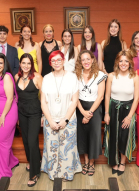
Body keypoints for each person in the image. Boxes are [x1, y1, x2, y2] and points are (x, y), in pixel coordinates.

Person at [40, 50, 81, 181]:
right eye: (53, 60)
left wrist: (66, 119)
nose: (56, 63)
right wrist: (50, 121)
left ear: (63, 61)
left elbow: (74, 101)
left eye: (59, 60)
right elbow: (43, 102)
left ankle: (66, 173)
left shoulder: (72, 77)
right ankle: (53, 172)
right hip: (50, 118)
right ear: (50, 63)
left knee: (67, 149)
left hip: (68, 118)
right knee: (51, 147)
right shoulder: (46, 78)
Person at [104, 50, 139, 176]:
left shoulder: (135, 77)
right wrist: (107, 113)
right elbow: (107, 95)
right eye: (121, 61)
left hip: (128, 109)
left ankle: (123, 162)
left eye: (126, 61)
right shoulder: (111, 76)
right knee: (113, 135)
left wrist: (130, 116)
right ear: (117, 62)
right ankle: (114, 160)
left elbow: (136, 98)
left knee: (125, 136)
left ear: (130, 62)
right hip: (113, 107)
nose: (123, 63)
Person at [75, 50, 107, 176]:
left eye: (88, 59)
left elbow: (100, 97)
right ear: (80, 62)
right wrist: (83, 112)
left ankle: (92, 163)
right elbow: (75, 96)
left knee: (93, 135)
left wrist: (89, 114)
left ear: (93, 60)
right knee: (82, 136)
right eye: (83, 60)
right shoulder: (76, 74)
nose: (86, 62)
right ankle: (86, 161)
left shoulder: (100, 75)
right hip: (80, 108)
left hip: (94, 107)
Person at [0, 53, 19, 185]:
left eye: (0, 63)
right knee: (4, 142)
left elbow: (10, 98)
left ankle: (4, 174)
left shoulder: (6, 76)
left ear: (5, 63)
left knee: (1, 143)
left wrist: (2, 115)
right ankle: (12, 161)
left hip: (6, 113)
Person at [15, 53, 43, 187]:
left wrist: (43, 115)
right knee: (26, 141)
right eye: (23, 63)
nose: (26, 66)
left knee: (32, 141)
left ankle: (34, 173)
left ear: (32, 65)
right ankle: (34, 161)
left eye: (28, 63)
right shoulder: (16, 77)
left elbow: (44, 98)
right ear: (20, 64)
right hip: (22, 113)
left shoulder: (37, 77)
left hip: (35, 113)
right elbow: (15, 98)